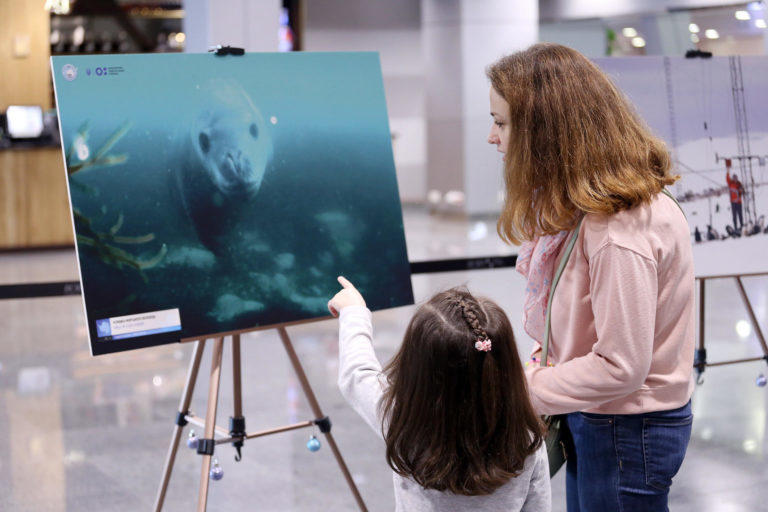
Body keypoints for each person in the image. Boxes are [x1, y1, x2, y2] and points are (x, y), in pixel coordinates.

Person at [487, 43, 695, 512]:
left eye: (501, 123)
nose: (492, 137)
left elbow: (620, 366)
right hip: (605, 419)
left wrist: (521, 387)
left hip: (625, 429)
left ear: (545, 131)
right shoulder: (594, 210)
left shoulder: (616, 229)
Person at [328, 277, 550, 511]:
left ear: (417, 371)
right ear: (506, 366)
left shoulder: (403, 422)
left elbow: (357, 373)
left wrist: (354, 312)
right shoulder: (524, 439)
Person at [725, 159, 744, 233]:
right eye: (734, 178)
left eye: (736, 178)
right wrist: (728, 171)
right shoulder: (731, 183)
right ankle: (735, 227)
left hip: (739, 202)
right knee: (734, 216)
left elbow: (742, 191)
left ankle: (742, 226)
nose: (735, 179)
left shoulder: (739, 184)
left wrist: (741, 190)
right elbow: (727, 178)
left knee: (740, 215)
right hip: (733, 203)